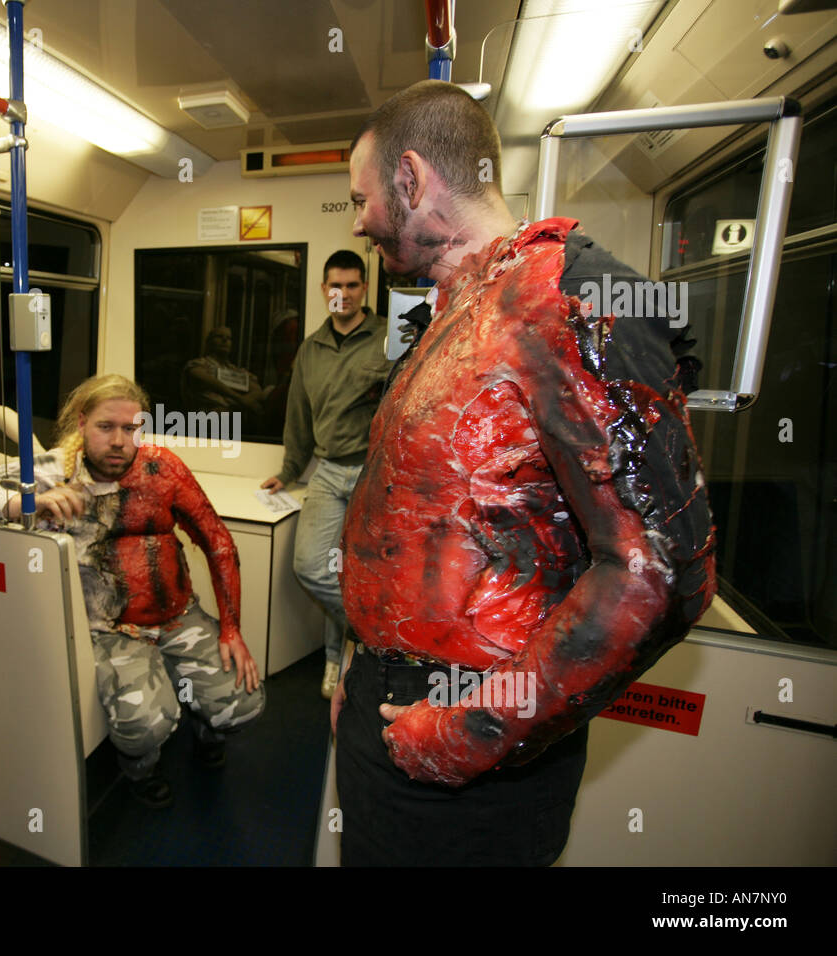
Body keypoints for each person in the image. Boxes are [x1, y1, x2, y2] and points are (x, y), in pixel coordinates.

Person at [332, 81, 716, 866]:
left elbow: (660, 570)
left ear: (410, 180)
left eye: (362, 197)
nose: (360, 219)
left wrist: (471, 732)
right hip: (384, 701)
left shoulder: (563, 295)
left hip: (473, 745)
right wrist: (359, 666)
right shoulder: (453, 314)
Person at [0, 374, 265, 808]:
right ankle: (141, 771)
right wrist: (20, 503)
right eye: (106, 427)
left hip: (177, 615)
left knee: (243, 704)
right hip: (111, 630)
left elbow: (219, 543)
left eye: (131, 428)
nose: (120, 440)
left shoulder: (162, 468)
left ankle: (207, 729)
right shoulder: (52, 471)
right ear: (82, 423)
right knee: (147, 727)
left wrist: (232, 629)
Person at [260, 251, 392, 699]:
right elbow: (297, 416)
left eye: (353, 286)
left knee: (358, 571)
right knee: (311, 567)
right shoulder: (310, 348)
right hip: (329, 472)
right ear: (323, 290)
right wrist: (288, 471)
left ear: (364, 289)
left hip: (375, 474)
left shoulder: (391, 337)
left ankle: (337, 656)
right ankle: (368, 634)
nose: (344, 294)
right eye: (336, 286)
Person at [180, 326, 269, 417]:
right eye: (219, 336)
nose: (225, 340)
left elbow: (257, 390)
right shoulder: (198, 363)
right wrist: (240, 399)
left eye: (229, 338)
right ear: (209, 342)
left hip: (231, 417)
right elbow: (203, 377)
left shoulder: (236, 370)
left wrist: (231, 409)